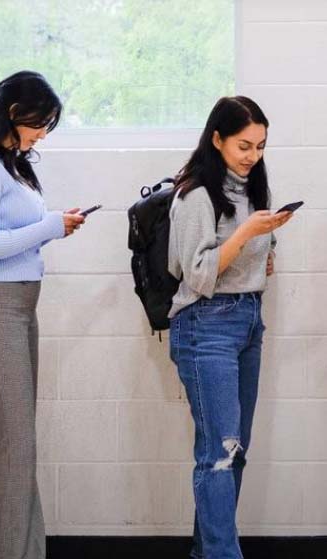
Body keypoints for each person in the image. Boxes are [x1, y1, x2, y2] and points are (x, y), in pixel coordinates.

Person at [0, 70, 86, 559]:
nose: (43, 134)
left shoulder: (7, 164)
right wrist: (49, 226)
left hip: (15, 304)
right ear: (12, 113)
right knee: (17, 444)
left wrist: (52, 226)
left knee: (1, 442)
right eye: (40, 123)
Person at [168, 96, 292, 559]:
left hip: (247, 320)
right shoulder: (195, 194)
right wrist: (244, 235)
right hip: (207, 323)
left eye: (260, 146)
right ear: (216, 138)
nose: (252, 156)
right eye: (243, 145)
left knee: (234, 450)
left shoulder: (251, 189)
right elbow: (198, 276)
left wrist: (267, 242)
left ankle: (209, 551)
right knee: (219, 452)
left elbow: (249, 258)